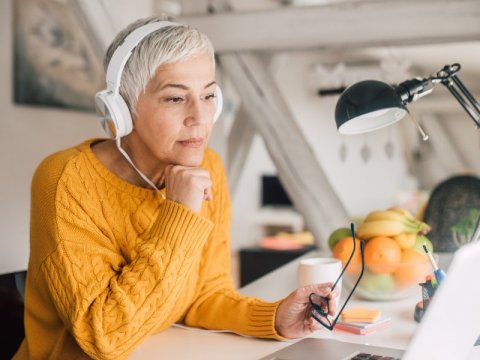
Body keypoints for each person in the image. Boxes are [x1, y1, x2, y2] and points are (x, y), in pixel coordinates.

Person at [14, 15, 337, 359]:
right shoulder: (65, 180)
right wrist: (179, 214)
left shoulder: (207, 166)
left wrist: (274, 317)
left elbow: (205, 294)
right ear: (122, 110)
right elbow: (104, 337)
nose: (199, 116)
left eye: (209, 95)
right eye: (174, 99)